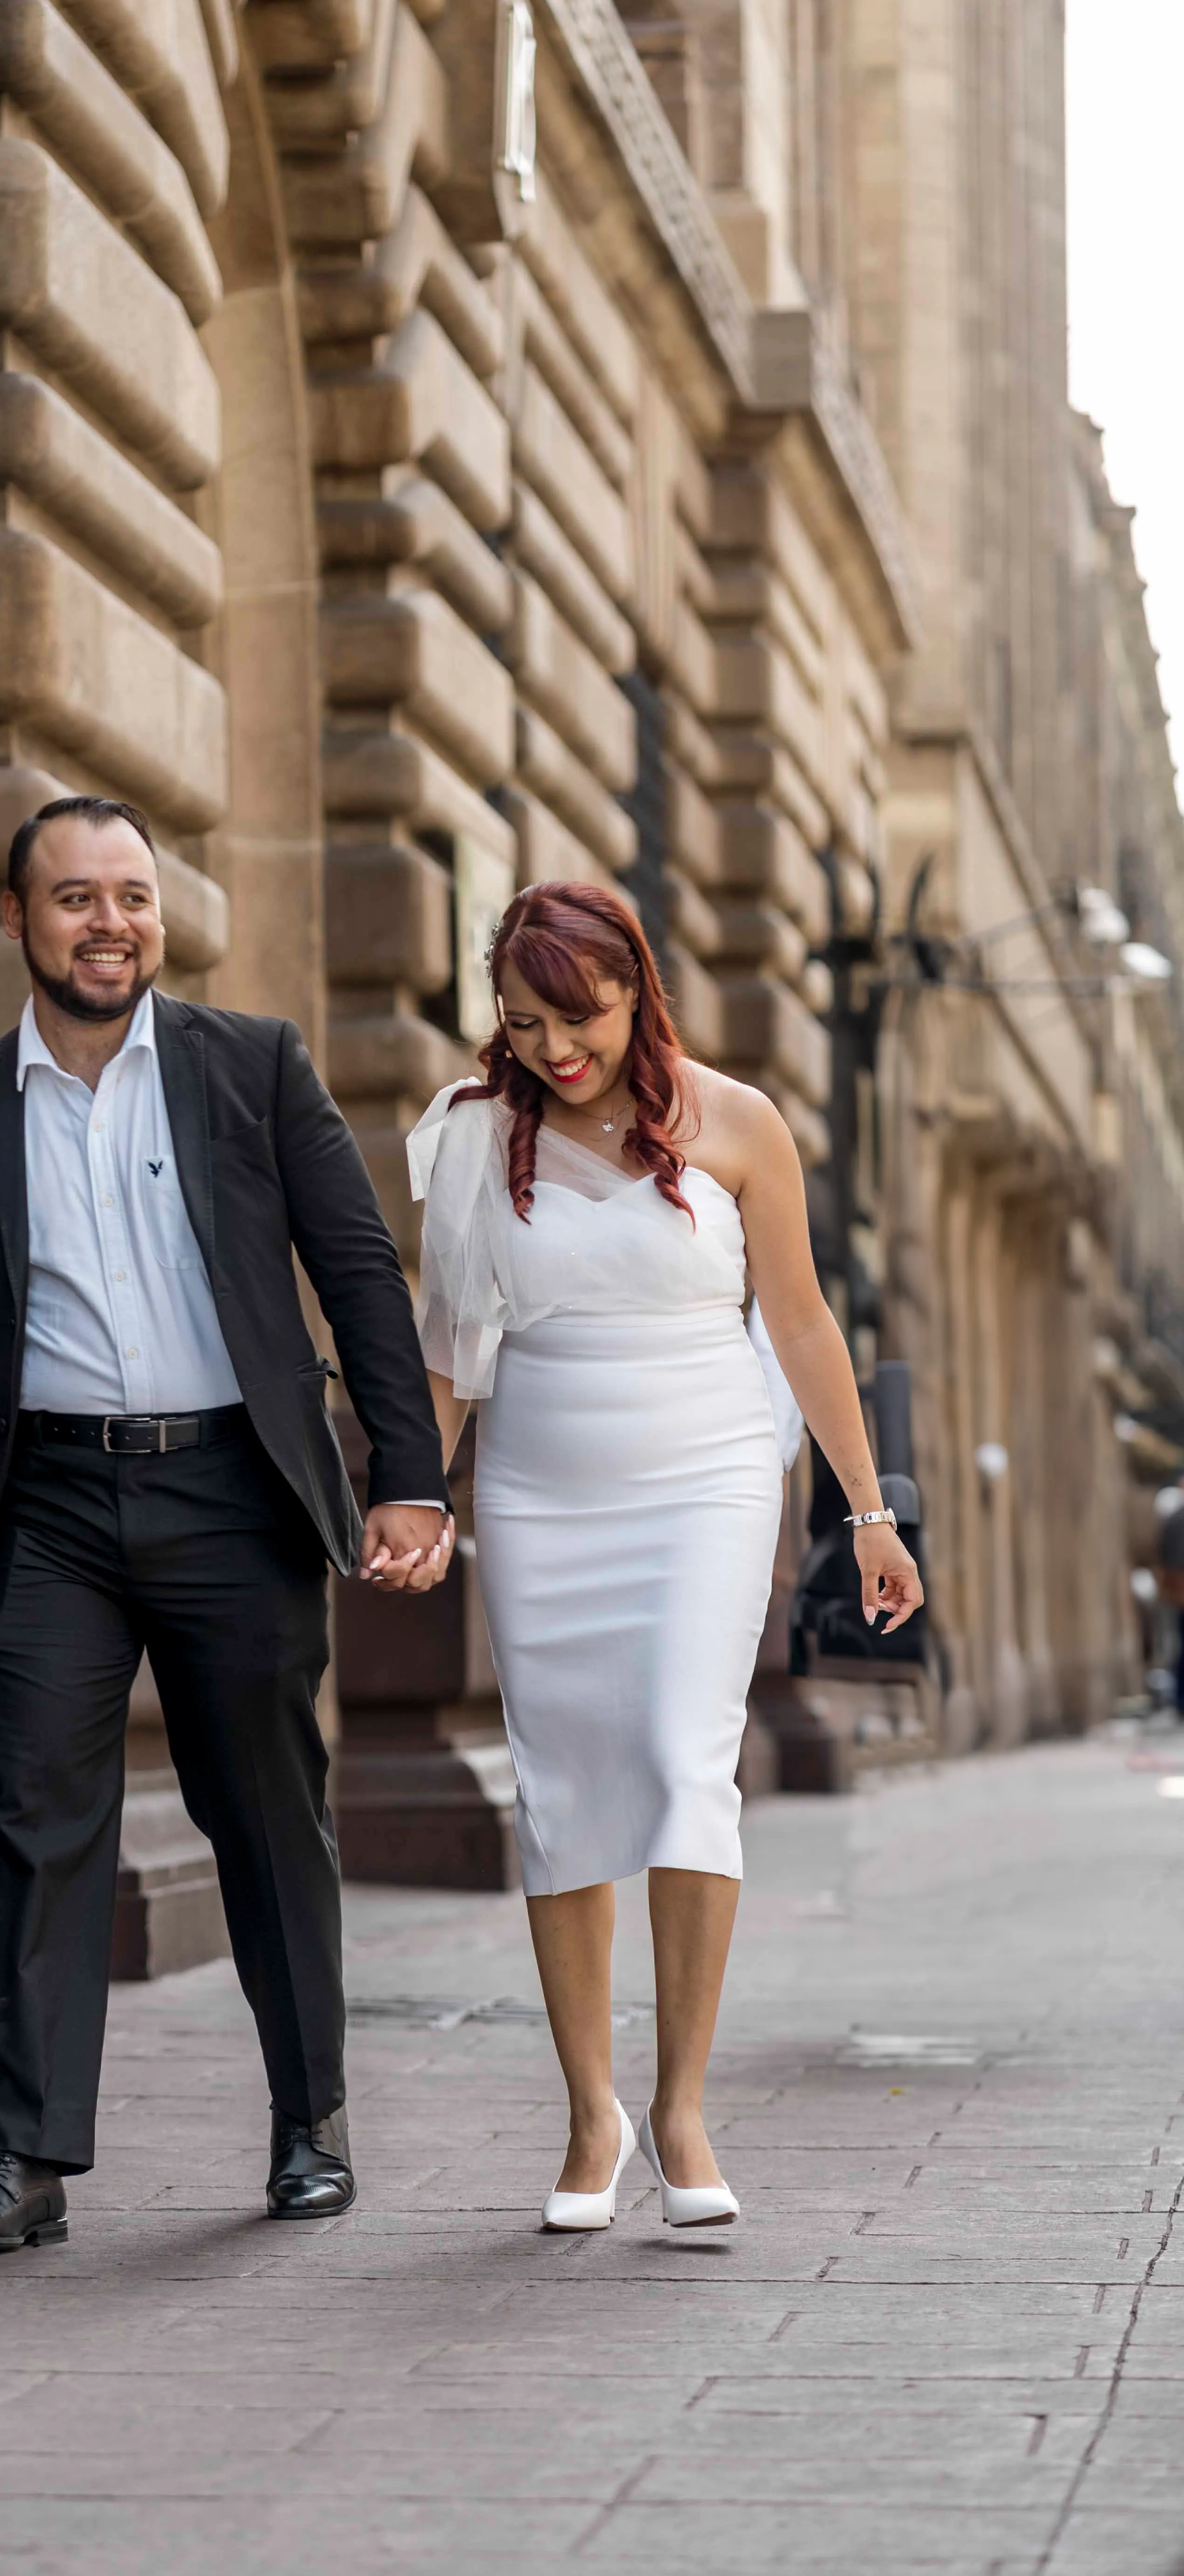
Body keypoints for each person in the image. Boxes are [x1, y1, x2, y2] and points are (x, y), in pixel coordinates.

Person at [0, 794, 454, 2253]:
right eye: (76, 898)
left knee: (266, 1814)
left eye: (132, 896)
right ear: (17, 920)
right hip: (41, 1504)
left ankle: (310, 2122)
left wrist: (408, 1473)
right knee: (33, 1821)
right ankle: (24, 2157)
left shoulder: (251, 1065)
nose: (110, 923)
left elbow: (359, 1270)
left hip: (233, 1490)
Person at [410, 883, 923, 2233]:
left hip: (707, 1475)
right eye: (524, 1024)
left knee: (685, 1758)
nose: (554, 1050)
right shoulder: (476, 1136)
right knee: (562, 1780)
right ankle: (595, 2117)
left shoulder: (738, 1121)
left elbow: (800, 1322)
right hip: (541, 1488)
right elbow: (451, 1342)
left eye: (577, 1018)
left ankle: (683, 2107)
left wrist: (869, 1513)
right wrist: (415, 1495)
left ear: (636, 989)